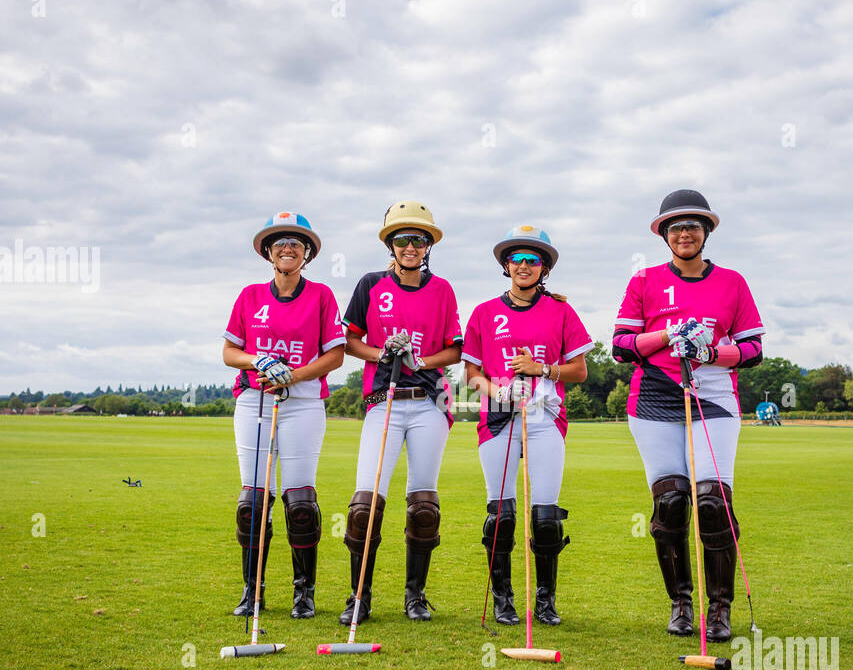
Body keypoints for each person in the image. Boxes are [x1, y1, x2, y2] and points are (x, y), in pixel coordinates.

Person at [612, 190, 764, 641]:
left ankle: (719, 610)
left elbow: (754, 350)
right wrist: (666, 336)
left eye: (693, 226)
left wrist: (713, 350)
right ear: (663, 234)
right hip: (655, 396)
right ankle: (681, 603)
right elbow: (621, 346)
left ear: (707, 232)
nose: (684, 233)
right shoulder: (644, 281)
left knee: (714, 502)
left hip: (713, 395)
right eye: (675, 226)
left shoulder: (732, 282)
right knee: (671, 502)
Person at [338, 201, 463, 623]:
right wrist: (382, 352)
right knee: (364, 504)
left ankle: (414, 596)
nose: (411, 247)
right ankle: (359, 596)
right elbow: (349, 339)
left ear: (428, 246)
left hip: (428, 403)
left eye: (419, 240)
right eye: (403, 239)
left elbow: (455, 348)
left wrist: (420, 361)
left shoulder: (442, 289)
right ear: (390, 244)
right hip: (383, 402)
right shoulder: (370, 284)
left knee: (423, 506)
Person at [463, 225, 591, 626]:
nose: (523, 265)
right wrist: (494, 389)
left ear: (543, 267)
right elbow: (471, 373)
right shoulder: (485, 312)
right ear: (505, 265)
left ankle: (546, 600)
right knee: (501, 513)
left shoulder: (562, 311)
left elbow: (581, 371)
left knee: (546, 515)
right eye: (516, 259)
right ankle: (503, 598)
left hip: (544, 417)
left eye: (532, 260)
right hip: (498, 418)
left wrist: (543, 369)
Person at [222, 212, 345, 619]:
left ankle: (303, 592)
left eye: (296, 242)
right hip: (254, 403)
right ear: (268, 252)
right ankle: (252, 590)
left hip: (304, 403)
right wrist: (259, 359)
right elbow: (229, 353)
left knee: (300, 502)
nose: (288, 248)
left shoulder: (321, 295)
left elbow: (335, 355)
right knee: (252, 501)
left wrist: (292, 374)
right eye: (280, 243)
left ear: (306, 252)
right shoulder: (250, 296)